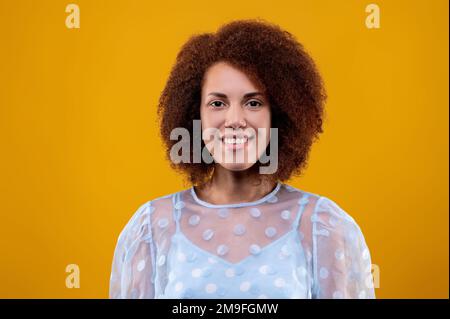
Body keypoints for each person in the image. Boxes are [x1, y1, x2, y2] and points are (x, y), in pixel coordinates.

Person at [109, 19, 376, 299]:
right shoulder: (151, 228)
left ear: (279, 114)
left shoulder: (323, 226)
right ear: (194, 114)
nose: (235, 120)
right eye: (217, 103)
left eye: (253, 103)